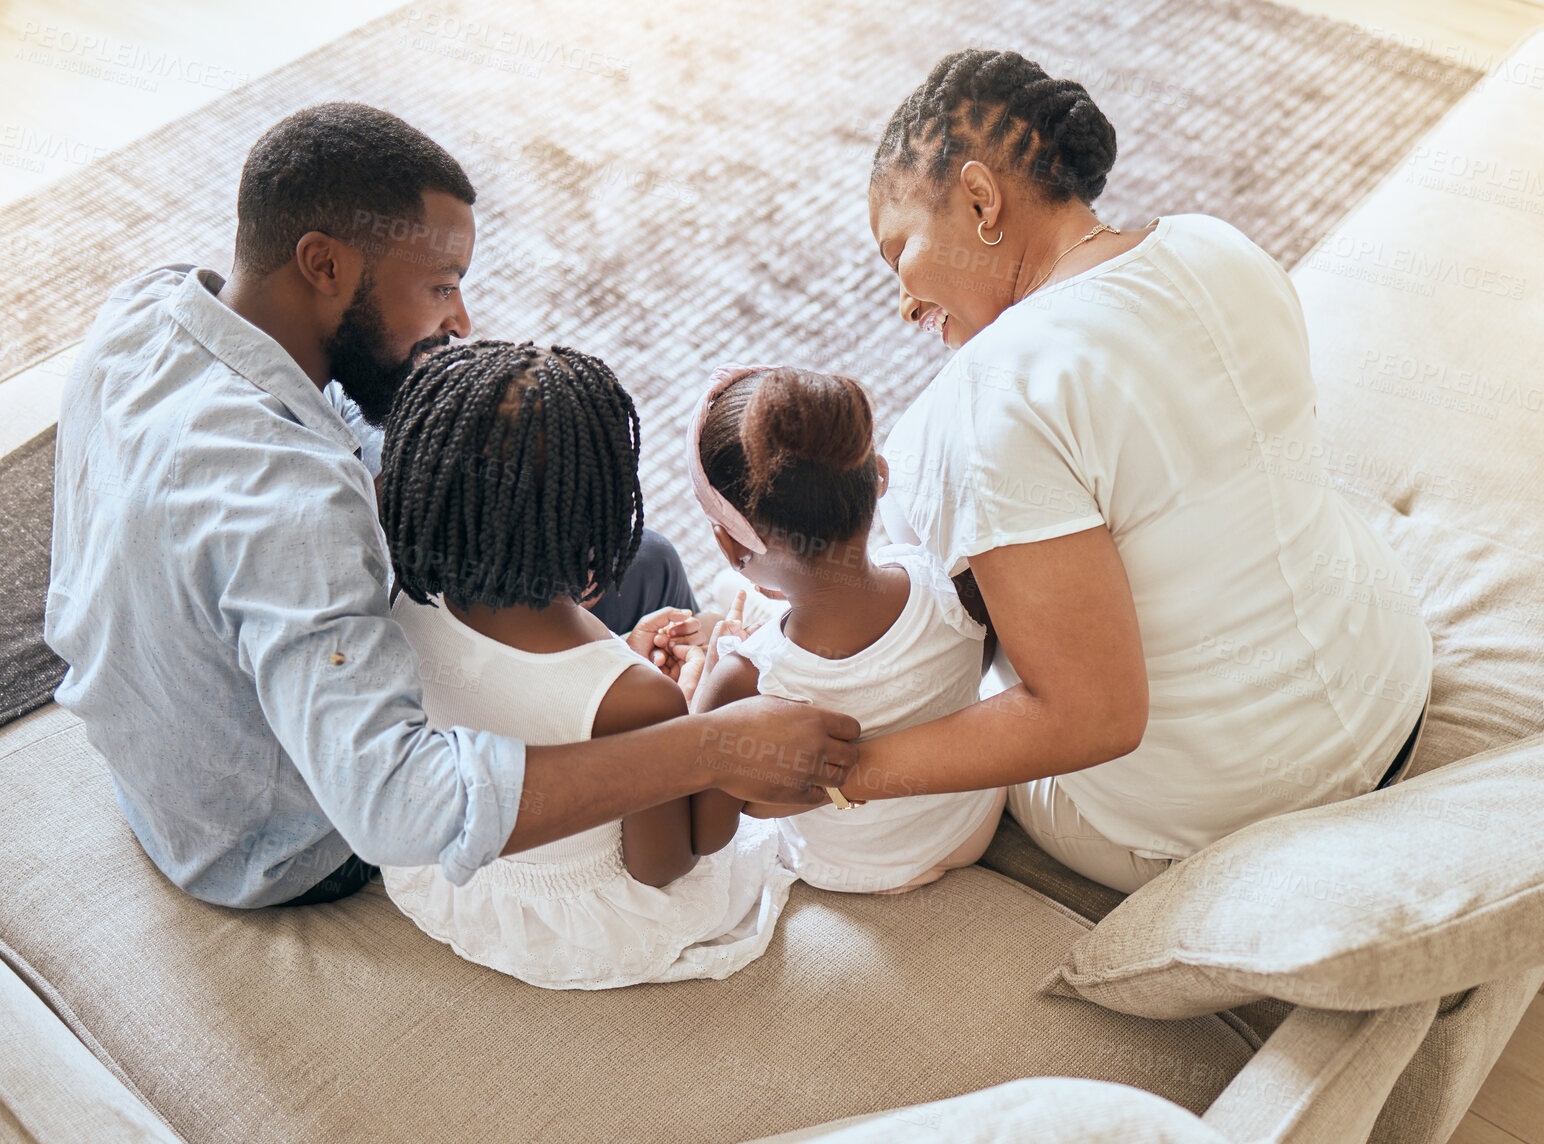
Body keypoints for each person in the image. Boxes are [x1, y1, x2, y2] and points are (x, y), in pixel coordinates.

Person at [43, 102, 856, 910]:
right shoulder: (295, 508)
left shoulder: (148, 307)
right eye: (439, 287)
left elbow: (342, 420)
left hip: (159, 777)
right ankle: (654, 715)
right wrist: (708, 747)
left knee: (555, 531)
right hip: (276, 843)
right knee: (643, 567)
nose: (458, 321)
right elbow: (394, 807)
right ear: (323, 266)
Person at [841, 50, 1433, 893]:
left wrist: (848, 776)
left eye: (899, 251)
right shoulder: (1214, 242)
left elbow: (1095, 718)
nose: (902, 304)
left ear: (979, 199)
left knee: (920, 574)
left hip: (1230, 813)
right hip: (1389, 693)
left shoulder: (988, 399)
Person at [374, 341, 797, 988]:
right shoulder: (635, 702)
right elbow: (664, 866)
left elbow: (525, 696)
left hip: (457, 872)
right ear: (601, 521)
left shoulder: (399, 603)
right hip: (586, 922)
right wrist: (706, 700)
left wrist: (618, 669)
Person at [686, 364, 1006, 894]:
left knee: (725, 617)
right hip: (969, 828)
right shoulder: (954, 584)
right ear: (878, 476)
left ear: (732, 547)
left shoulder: (745, 681)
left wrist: (706, 681)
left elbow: (705, 830)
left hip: (848, 869)